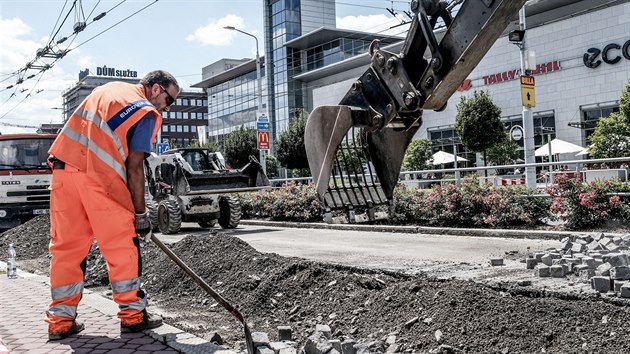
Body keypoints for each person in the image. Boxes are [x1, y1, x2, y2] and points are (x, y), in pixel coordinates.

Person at [45, 70, 180, 340]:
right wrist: (141, 214)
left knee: (67, 251)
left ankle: (60, 322)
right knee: (121, 247)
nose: (167, 107)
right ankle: (132, 316)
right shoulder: (144, 111)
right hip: (101, 180)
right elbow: (135, 166)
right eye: (169, 100)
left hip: (63, 175)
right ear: (155, 89)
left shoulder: (109, 90)